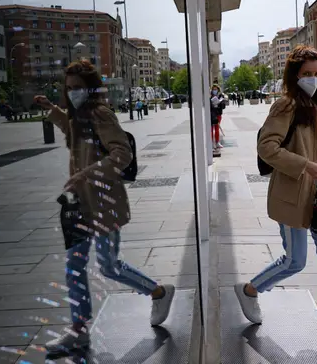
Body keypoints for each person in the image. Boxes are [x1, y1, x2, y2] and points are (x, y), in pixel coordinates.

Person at [234, 46, 317, 351]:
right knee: (295, 261)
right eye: (306, 73)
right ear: (294, 76)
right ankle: (250, 290)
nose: (312, 78)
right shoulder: (285, 106)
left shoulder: (313, 103)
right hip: (292, 196)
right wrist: (305, 164)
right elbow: (267, 147)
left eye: (316, 73)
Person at [34, 61, 175, 355]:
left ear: (91, 88)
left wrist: (85, 175)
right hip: (79, 204)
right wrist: (52, 109)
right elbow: (73, 133)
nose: (73, 92)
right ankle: (79, 331)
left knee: (109, 266)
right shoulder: (78, 115)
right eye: (69, 88)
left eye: (78, 87)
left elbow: (122, 154)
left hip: (104, 202)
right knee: (74, 266)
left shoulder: (101, 113)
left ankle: (159, 292)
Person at [210, 84, 226, 151]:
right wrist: (212, 104)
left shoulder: (220, 96)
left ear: (218, 90)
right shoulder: (210, 96)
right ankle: (211, 143)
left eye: (216, 89)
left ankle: (217, 142)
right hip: (211, 114)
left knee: (217, 128)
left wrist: (219, 103)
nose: (214, 91)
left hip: (218, 114)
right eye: (213, 89)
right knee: (211, 129)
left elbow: (224, 106)